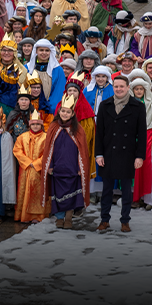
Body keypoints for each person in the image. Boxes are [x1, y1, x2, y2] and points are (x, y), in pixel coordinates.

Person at [94, 75, 145, 232]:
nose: (119, 89)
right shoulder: (104, 105)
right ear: (113, 87)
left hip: (128, 154)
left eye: (122, 86)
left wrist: (139, 156)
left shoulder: (137, 106)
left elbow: (141, 133)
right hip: (108, 153)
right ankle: (104, 220)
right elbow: (99, 133)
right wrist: (99, 154)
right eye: (116, 86)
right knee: (107, 190)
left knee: (126, 191)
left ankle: (125, 220)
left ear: (128, 87)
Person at [41, 95, 91, 229]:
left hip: (73, 168)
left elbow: (83, 150)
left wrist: (81, 167)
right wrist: (50, 165)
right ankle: (59, 218)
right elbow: (48, 149)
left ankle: (68, 218)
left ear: (73, 113)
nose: (65, 114)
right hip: (57, 168)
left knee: (72, 195)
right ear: (59, 111)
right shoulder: (53, 127)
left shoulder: (78, 129)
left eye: (68, 112)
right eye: (63, 111)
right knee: (58, 194)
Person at [12, 110, 48, 223]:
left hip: (39, 171)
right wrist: (28, 162)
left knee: (38, 192)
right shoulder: (23, 137)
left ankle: (38, 216)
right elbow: (17, 150)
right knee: (23, 191)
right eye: (33, 124)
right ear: (30, 124)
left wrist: (37, 163)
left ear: (41, 125)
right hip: (25, 169)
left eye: (38, 124)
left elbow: (48, 153)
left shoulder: (46, 137)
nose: (35, 126)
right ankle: (24, 215)